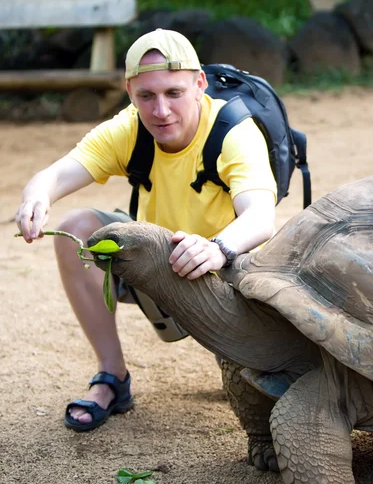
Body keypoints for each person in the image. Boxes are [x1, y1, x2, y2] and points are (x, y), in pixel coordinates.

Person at [15, 29, 277, 432]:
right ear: (129, 92)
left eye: (174, 93)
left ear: (199, 84)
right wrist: (38, 194)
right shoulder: (130, 129)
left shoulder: (235, 133)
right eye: (146, 96)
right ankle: (112, 377)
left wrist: (217, 248)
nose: (161, 110)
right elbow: (56, 174)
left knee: (260, 385)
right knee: (76, 229)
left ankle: (235, 351)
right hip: (157, 265)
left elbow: (260, 216)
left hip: (222, 273)